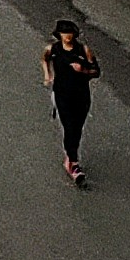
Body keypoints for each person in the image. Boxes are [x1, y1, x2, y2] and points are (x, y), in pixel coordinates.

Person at [42, 19, 101, 183]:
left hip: (81, 95)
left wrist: (83, 70)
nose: (67, 36)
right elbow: (45, 59)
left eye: (70, 33)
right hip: (62, 95)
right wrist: (48, 75)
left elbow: (96, 71)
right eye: (64, 33)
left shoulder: (84, 50)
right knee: (69, 127)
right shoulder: (52, 49)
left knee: (77, 128)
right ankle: (73, 163)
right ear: (59, 35)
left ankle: (70, 156)